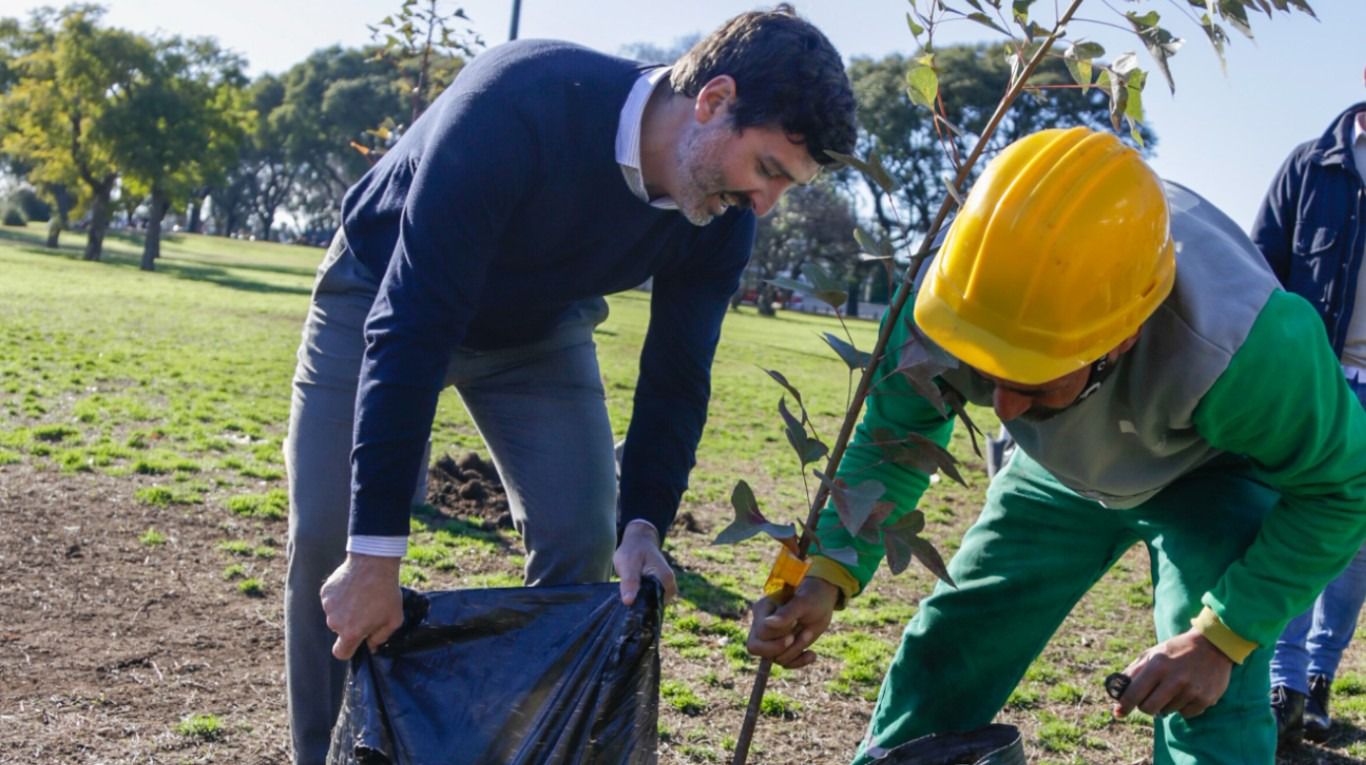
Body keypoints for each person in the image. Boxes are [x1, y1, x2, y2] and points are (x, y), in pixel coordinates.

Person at [283, 7, 857, 763]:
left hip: (537, 329)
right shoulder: (516, 102)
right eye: (770, 170)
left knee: (589, 540)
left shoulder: (722, 220)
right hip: (384, 292)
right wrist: (376, 557)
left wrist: (645, 524)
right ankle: (320, 753)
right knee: (336, 536)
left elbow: (677, 378)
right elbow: (414, 322)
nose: (765, 204)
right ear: (714, 102)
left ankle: (526, 746)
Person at [745, 127, 1366, 765]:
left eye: (1031, 378)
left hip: (1211, 472)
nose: (1005, 410)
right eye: (986, 373)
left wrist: (1221, 637)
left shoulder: (1247, 345)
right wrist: (826, 571)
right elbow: (893, 439)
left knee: (1209, 699)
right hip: (1057, 472)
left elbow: (1345, 488)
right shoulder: (950, 297)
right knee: (958, 637)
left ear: (1122, 338)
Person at [1252, 89, 1366, 747]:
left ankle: (1320, 676)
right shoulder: (1309, 166)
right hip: (1315, 382)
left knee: (1355, 543)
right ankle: (1284, 682)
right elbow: (1259, 271)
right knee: (1293, 520)